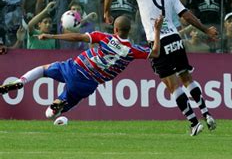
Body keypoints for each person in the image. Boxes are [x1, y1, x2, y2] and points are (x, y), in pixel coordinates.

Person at [103, 0, 218, 136]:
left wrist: (106, 12)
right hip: (175, 39)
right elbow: (186, 15)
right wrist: (206, 30)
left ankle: (194, 122)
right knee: (186, 78)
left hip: (158, 42)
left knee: (173, 85)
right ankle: (206, 113)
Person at [0, 16, 163, 121]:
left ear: (115, 29)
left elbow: (76, 36)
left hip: (75, 67)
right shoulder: (132, 51)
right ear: (130, 30)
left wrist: (51, 36)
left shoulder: (104, 37)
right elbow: (155, 52)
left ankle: (21, 81)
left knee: (43, 69)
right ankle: (59, 103)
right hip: (89, 82)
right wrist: (157, 30)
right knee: (51, 113)